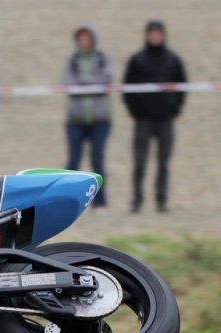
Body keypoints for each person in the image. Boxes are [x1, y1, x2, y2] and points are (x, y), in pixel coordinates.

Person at [122, 20, 187, 213]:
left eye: (158, 33)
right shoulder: (137, 60)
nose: (155, 37)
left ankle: (161, 201)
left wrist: (175, 108)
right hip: (143, 120)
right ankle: (137, 201)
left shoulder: (172, 59)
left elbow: (182, 86)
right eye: (152, 33)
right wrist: (135, 111)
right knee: (140, 163)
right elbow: (127, 88)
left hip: (165, 120)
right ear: (147, 35)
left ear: (163, 36)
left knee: (163, 163)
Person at [62, 24, 113, 212]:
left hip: (100, 120)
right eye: (81, 38)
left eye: (87, 38)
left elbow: (106, 79)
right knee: (73, 163)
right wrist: (92, 83)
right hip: (75, 120)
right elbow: (68, 82)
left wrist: (82, 82)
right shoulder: (72, 60)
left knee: (97, 161)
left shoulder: (102, 58)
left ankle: (100, 202)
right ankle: (67, 201)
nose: (84, 41)